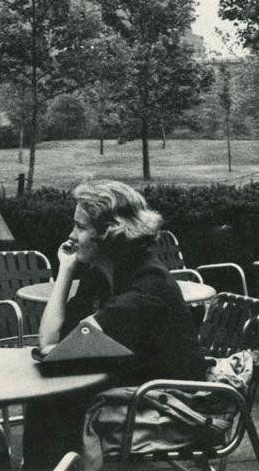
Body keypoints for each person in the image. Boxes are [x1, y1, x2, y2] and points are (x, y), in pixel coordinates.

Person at [23, 180, 206, 468]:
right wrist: (66, 271)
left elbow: (53, 348)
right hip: (131, 389)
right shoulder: (103, 275)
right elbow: (50, 339)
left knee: (51, 402)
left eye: (80, 227)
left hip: (171, 401)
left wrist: (54, 349)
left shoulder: (148, 284)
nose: (71, 236)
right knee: (47, 400)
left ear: (109, 233)